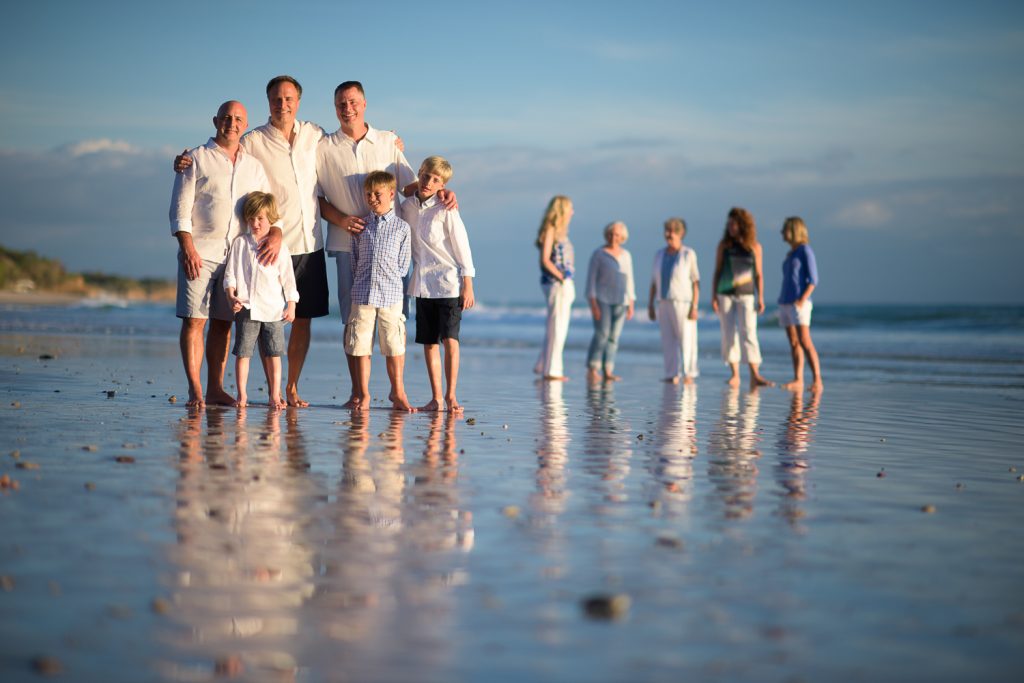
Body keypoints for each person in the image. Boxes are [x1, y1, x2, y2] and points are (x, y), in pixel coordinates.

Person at [316, 81, 456, 404]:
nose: (346, 108)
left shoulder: (387, 141)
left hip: (392, 246)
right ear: (334, 108)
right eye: (340, 103)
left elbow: (412, 186)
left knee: (394, 325)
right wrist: (341, 220)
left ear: (364, 104)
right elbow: (315, 199)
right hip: (346, 243)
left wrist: (445, 191)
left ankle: (398, 391)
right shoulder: (323, 147)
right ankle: (358, 393)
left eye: (352, 102)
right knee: (355, 325)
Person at [169, 100, 274, 408]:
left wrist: (276, 234)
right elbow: (180, 209)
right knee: (194, 321)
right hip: (200, 252)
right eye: (227, 117)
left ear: (246, 124)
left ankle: (215, 387)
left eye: (239, 119)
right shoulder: (195, 159)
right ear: (216, 121)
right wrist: (187, 248)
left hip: (237, 257)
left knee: (222, 323)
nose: (232, 123)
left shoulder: (253, 166)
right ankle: (195, 390)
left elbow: (266, 210)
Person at [400, 156, 476, 413]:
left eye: (436, 180)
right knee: (429, 342)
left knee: (450, 339)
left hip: (448, 283)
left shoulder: (446, 208)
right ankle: (436, 398)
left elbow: (461, 245)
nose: (429, 182)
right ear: (419, 173)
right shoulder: (406, 207)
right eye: (426, 176)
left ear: (442, 184)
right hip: (421, 283)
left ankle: (451, 396)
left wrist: (468, 283)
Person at [345, 171, 415, 412]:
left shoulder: (401, 228)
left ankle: (398, 392)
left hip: (391, 295)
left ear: (391, 194)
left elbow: (403, 265)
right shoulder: (361, 226)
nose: (373, 198)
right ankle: (363, 394)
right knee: (360, 346)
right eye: (369, 194)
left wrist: (390, 281)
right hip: (362, 293)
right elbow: (354, 260)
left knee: (394, 346)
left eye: (378, 193)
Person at [224, 192, 299, 409]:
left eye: (260, 219)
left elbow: (288, 279)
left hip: (274, 310)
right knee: (243, 353)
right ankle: (242, 395)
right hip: (247, 307)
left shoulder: (280, 248)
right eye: (251, 218)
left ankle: (275, 395)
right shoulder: (240, 244)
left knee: (274, 353)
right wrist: (231, 296)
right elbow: (230, 274)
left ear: (271, 219)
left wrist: (291, 305)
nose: (255, 223)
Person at [710, 207, 772, 388]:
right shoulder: (724, 245)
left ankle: (755, 374)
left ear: (743, 225)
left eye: (734, 223)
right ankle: (735, 374)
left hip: (746, 294)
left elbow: (759, 274)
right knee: (728, 333)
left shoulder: (754, 246)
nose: (730, 227)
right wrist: (713, 296)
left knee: (749, 332)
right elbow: (717, 271)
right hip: (725, 293)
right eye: (728, 224)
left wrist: (761, 297)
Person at [648, 217, 700, 384]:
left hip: (683, 301)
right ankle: (672, 374)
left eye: (672, 231)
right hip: (663, 301)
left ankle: (689, 373)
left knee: (687, 338)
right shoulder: (659, 254)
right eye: (667, 230)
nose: (669, 234)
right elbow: (654, 282)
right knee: (668, 339)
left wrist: (695, 306)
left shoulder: (688, 254)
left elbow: (695, 281)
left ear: (681, 234)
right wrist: (650, 304)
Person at [584, 221, 635, 382]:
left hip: (621, 301)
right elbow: (591, 280)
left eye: (617, 235)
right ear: (607, 235)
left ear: (622, 238)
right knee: (602, 334)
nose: (614, 237)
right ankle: (593, 367)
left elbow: (630, 279)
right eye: (611, 234)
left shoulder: (626, 255)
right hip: (601, 300)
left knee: (614, 337)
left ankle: (608, 369)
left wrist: (631, 302)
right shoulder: (598, 254)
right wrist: (592, 302)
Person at [777, 216, 822, 392]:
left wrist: (803, 299)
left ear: (794, 230)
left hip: (799, 302)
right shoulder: (791, 253)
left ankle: (817, 379)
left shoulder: (805, 250)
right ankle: (798, 379)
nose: (782, 233)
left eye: (785, 229)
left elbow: (813, 279)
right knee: (794, 342)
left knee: (805, 340)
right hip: (785, 301)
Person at [534, 196, 575, 381]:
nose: (572, 212)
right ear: (562, 210)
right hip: (556, 283)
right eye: (570, 208)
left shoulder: (561, 232)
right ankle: (552, 371)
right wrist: (561, 276)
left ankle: (543, 365)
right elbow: (544, 259)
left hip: (560, 283)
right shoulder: (551, 229)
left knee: (555, 326)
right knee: (557, 327)